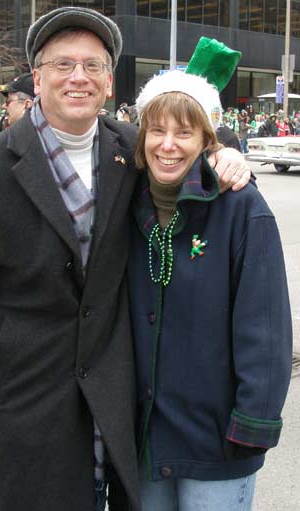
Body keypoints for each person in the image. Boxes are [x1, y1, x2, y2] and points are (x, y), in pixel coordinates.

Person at [0, 8, 250, 511]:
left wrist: (225, 159)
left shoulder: (132, 147)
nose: (78, 77)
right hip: (25, 397)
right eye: (63, 65)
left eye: (93, 66)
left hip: (118, 388)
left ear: (107, 83)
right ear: (37, 78)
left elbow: (186, 150)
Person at [128, 69, 292, 511]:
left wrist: (253, 423)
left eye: (184, 132)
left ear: (207, 140)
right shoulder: (125, 203)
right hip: (143, 439)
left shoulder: (240, 206)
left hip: (216, 439)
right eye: (157, 130)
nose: (168, 145)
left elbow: (267, 324)